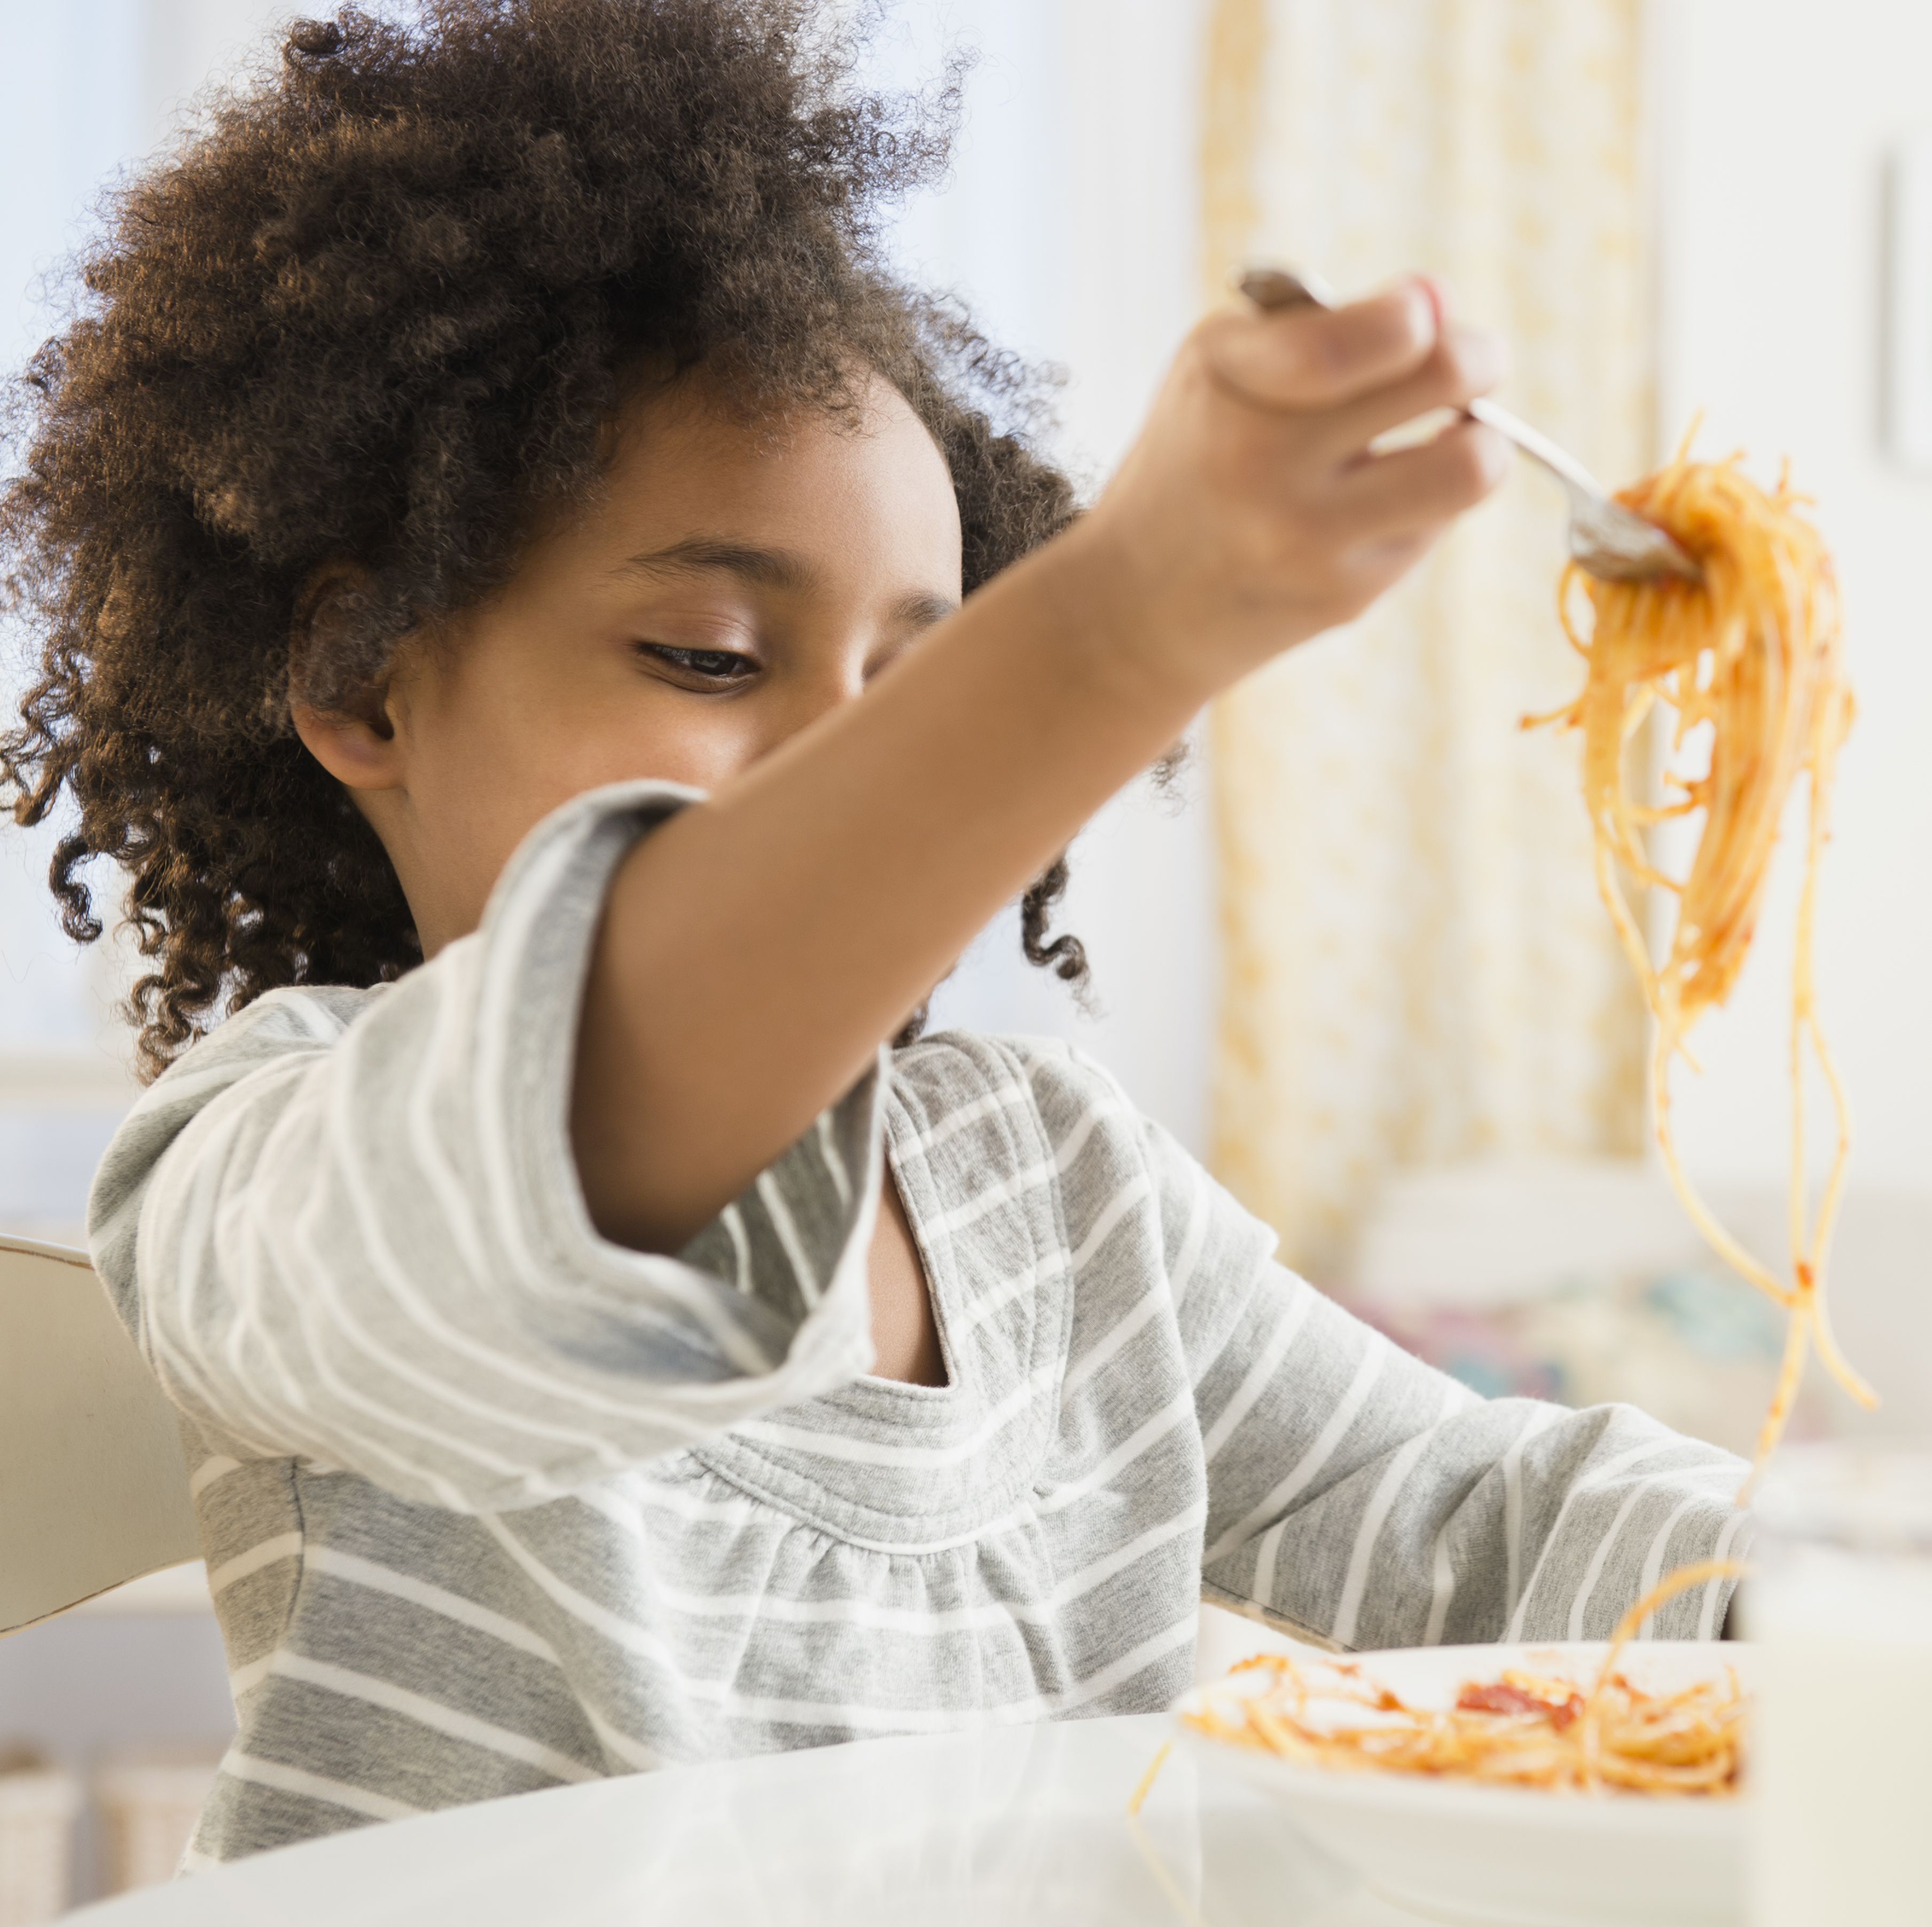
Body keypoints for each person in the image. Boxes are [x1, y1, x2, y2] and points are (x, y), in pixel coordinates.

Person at [1, 0, 1747, 1868]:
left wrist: (1826, 1591)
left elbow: (1484, 1519)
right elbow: (543, 1168)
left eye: (922, 683)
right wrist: (1105, 633)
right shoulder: (266, 1160)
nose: (858, 762)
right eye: (710, 659)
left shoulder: (1057, 1188)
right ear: (363, 682)